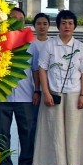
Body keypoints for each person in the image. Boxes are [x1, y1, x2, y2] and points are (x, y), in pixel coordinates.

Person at [33, 10, 83, 165]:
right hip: (54, 93)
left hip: (75, 93)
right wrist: (46, 92)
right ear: (58, 25)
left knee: (73, 130)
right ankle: (57, 164)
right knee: (55, 130)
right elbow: (42, 70)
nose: (67, 26)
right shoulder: (49, 45)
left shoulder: (79, 46)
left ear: (74, 26)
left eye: (70, 23)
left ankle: (72, 164)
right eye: (64, 23)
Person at [0, 7, 37, 165]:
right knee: (1, 133)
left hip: (25, 96)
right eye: (13, 18)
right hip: (1, 95)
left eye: (21, 19)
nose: (17, 21)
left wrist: (37, 91)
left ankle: (27, 164)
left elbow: (35, 70)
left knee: (26, 132)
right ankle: (4, 164)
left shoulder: (31, 44)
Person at [30, 13, 50, 144]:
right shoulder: (29, 43)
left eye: (45, 24)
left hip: (50, 90)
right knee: (34, 124)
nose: (42, 27)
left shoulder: (53, 43)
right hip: (32, 90)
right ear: (34, 26)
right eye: (38, 24)